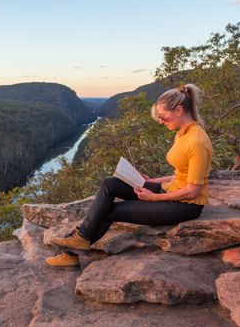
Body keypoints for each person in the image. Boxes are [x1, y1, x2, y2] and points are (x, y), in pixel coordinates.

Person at [45, 83, 213, 269]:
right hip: (170, 189)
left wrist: (155, 198)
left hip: (184, 206)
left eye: (162, 116)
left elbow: (192, 190)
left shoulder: (197, 141)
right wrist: (151, 182)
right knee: (110, 184)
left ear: (179, 110)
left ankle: (72, 252)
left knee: (112, 211)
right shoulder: (182, 133)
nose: (160, 121)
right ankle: (81, 238)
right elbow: (180, 174)